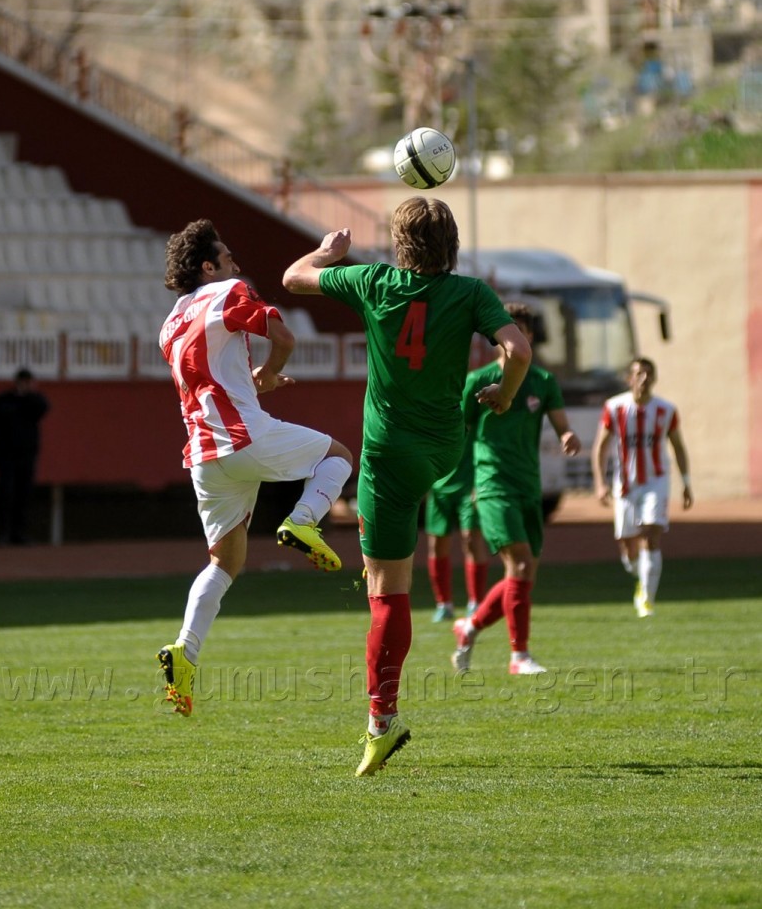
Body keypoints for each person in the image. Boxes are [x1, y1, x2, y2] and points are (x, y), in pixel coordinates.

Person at [282, 196, 532, 776]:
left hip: (389, 454)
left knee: (385, 584)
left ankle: (381, 721)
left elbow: (293, 278)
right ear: (454, 245)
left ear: (399, 245)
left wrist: (327, 251)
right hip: (443, 445)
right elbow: (516, 349)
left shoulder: (373, 280)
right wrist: (506, 394)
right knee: (399, 549)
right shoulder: (471, 293)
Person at [156, 218, 352, 716]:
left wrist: (255, 382)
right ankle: (302, 521)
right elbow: (283, 336)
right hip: (244, 437)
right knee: (338, 457)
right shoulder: (227, 290)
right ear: (208, 266)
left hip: (204, 456)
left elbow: (213, 380)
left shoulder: (171, 323)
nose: (236, 263)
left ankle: (185, 650)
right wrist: (272, 369)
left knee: (225, 563)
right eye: (226, 255)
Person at [451, 303, 581, 675]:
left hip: (529, 486)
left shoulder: (542, 381)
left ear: (531, 337)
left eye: (523, 331)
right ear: (497, 339)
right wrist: (458, 481)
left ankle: (469, 627)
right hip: (492, 484)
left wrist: (568, 435)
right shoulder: (477, 382)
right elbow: (458, 431)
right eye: (510, 332)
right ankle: (519, 655)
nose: (516, 338)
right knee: (520, 565)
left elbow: (561, 424)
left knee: (521, 575)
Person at [591, 356, 693, 617]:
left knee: (651, 534)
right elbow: (600, 447)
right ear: (629, 379)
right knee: (628, 546)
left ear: (654, 379)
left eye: (648, 374)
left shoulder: (666, 410)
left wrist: (686, 483)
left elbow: (678, 447)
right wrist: (601, 483)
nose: (644, 378)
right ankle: (640, 574)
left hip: (655, 481)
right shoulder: (614, 407)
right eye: (638, 373)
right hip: (625, 484)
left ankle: (646, 599)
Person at [424, 435, 490, 623]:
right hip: (438, 487)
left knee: (471, 539)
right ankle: (444, 604)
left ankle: (476, 603)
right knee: (436, 543)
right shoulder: (430, 410)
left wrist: (481, 480)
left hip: (469, 484)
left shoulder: (472, 406)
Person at [0, 368, 50, 545]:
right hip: (6, 454)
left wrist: (28, 395)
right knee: (6, 494)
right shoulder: (4, 400)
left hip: (27, 455)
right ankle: (3, 534)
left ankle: (19, 533)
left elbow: (43, 408)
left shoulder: (35, 400)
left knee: (23, 495)